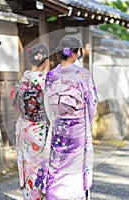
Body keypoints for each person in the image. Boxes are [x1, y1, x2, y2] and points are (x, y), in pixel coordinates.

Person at [36, 36, 98, 200]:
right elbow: (92, 103)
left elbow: (48, 106)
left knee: (57, 165)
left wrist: (56, 120)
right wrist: (87, 124)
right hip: (78, 128)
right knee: (75, 168)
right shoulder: (83, 74)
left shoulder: (51, 75)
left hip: (58, 127)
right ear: (75, 53)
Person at [10, 43, 49, 200]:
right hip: (39, 128)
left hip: (23, 126)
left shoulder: (23, 79)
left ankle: (28, 196)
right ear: (45, 61)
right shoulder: (45, 81)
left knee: (26, 165)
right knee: (38, 166)